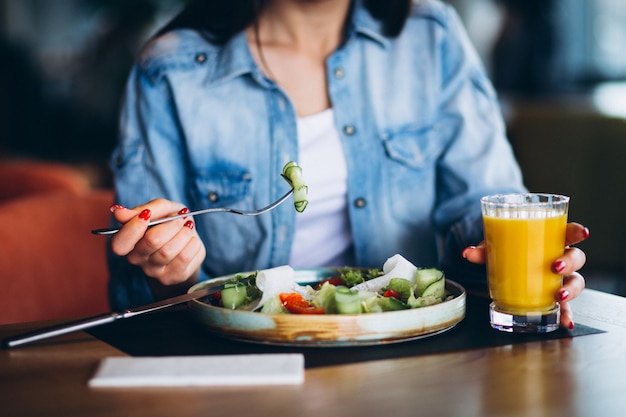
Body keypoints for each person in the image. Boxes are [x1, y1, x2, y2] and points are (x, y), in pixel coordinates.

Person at [106, 0, 588, 329]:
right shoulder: (169, 69)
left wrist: (518, 257)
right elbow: (143, 294)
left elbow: (486, 201)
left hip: (413, 354)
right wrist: (165, 265)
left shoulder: (430, 36)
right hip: (244, 366)